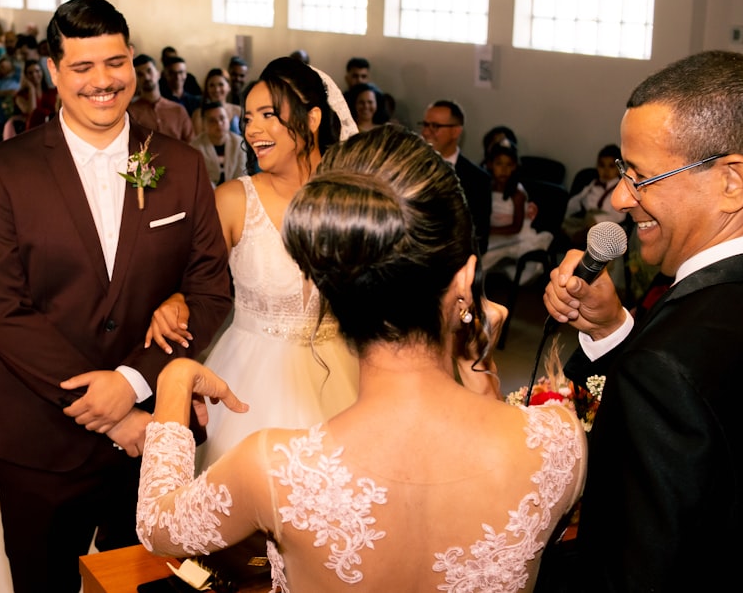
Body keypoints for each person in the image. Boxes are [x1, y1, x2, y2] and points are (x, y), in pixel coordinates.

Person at [135, 124, 587, 591]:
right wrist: (477, 364)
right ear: (465, 278)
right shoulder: (558, 442)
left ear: (327, 289)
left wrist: (174, 378)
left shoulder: (274, 467)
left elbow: (156, 524)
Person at [0, 0, 233, 593]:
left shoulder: (181, 164)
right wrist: (113, 414)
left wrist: (136, 383)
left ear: (133, 63)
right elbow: (2, 309)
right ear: (54, 72)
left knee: (146, 586)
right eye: (82, 67)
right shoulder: (5, 170)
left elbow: (212, 288)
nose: (102, 82)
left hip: (155, 444)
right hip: (41, 436)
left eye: (115, 63)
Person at [539, 50, 743, 592]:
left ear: (732, 182)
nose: (621, 197)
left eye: (641, 176)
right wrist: (613, 331)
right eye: (623, 172)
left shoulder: (670, 361)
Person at [146, 56, 361, 470]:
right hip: (251, 379)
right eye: (247, 118)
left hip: (344, 373)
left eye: (268, 115)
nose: (253, 130)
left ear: (313, 118)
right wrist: (174, 298)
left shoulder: (351, 200)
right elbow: (193, 279)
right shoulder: (232, 200)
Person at [420, 99, 493, 254]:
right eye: (425, 125)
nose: (426, 132)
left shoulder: (478, 180)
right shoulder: (411, 166)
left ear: (456, 131)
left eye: (435, 126)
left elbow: (479, 238)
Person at [479, 141, 553, 283]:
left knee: (483, 252)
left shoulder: (517, 194)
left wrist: (488, 231)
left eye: (508, 165)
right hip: (495, 232)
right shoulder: (487, 188)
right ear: (490, 165)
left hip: (516, 235)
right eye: (499, 164)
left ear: (514, 167)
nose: (503, 169)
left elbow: (516, 227)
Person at [560, 144, 626, 249]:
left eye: (611, 166)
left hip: (606, 223)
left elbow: (619, 216)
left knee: (595, 233)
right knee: (565, 224)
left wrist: (597, 219)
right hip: (587, 218)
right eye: (602, 165)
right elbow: (576, 201)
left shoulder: (621, 189)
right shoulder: (593, 184)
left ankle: (582, 237)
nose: (606, 170)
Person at [128, 54, 194, 142]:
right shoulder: (131, 113)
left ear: (158, 74)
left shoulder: (177, 110)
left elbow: (192, 144)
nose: (146, 77)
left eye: (149, 71)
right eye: (140, 75)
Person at [189, 100, 245, 188]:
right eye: (212, 121)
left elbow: (242, 176)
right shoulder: (195, 147)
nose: (219, 124)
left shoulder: (239, 143)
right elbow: (199, 181)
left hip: (235, 193)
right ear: (203, 124)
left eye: (222, 118)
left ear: (228, 119)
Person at [190, 67, 242, 136]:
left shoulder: (239, 111)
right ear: (207, 89)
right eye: (212, 85)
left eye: (221, 84)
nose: (216, 89)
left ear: (229, 87)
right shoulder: (199, 115)